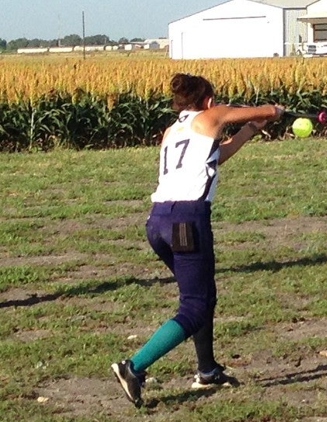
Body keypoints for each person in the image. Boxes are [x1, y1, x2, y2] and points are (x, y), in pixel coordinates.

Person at [111, 73, 284, 408]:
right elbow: (235, 111)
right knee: (195, 305)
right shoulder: (211, 115)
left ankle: (207, 371)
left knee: (202, 294)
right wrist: (273, 110)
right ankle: (133, 367)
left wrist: (249, 131)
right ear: (207, 101)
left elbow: (214, 157)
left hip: (157, 220)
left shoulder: (173, 131)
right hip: (187, 219)